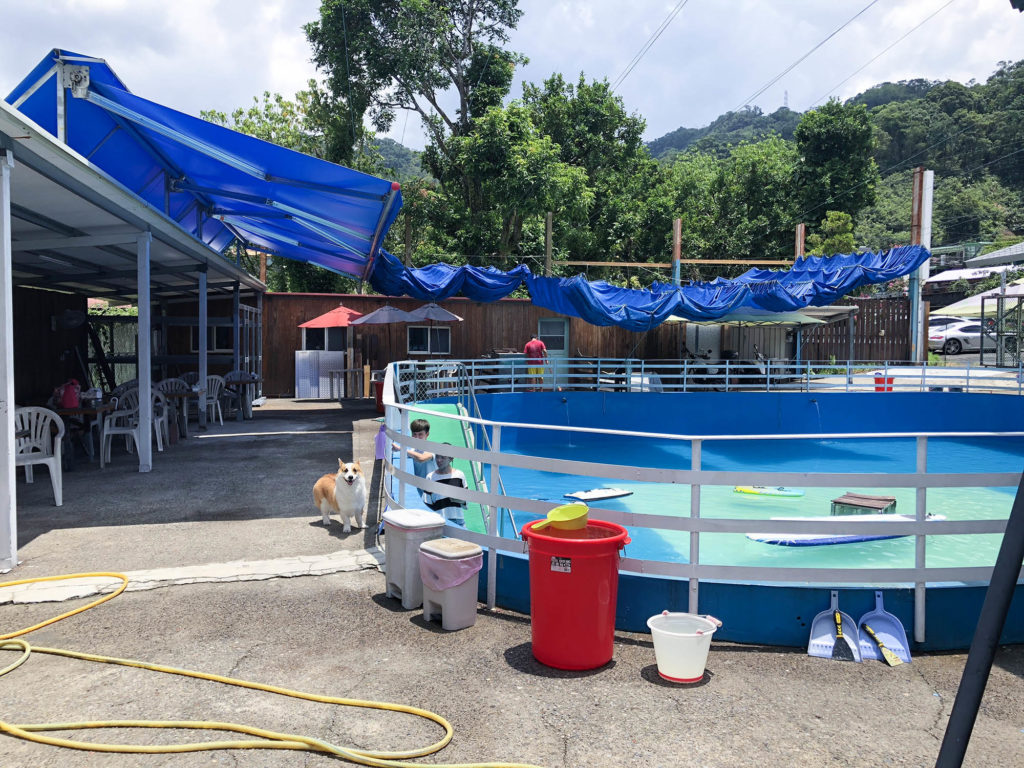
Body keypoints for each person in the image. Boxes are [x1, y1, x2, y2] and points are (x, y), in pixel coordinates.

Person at [425, 445, 468, 526]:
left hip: (458, 521)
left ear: (451, 458)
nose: (439, 460)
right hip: (438, 522)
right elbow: (427, 503)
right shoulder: (430, 477)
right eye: (437, 456)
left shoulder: (459, 475)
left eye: (443, 457)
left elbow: (466, 501)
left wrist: (458, 499)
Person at [394, 418, 435, 496]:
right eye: (414, 434)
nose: (417, 438)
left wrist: (400, 449)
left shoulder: (432, 448)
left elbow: (422, 458)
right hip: (420, 487)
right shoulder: (413, 449)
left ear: (427, 434)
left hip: (432, 491)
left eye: (420, 434)